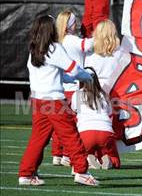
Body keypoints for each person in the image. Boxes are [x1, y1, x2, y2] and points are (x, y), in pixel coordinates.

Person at [18, 15, 98, 186]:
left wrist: (72, 78)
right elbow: (74, 70)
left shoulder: (34, 48)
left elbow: (56, 74)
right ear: (50, 29)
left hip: (38, 100)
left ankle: (26, 173)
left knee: (38, 139)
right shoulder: (54, 48)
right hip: (54, 102)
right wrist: (88, 77)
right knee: (71, 137)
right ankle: (82, 172)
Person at [51, 10, 94, 167]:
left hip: (60, 87)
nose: (77, 25)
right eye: (75, 22)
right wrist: (102, 32)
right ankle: (67, 155)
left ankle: (57, 153)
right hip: (74, 86)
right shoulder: (72, 40)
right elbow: (90, 46)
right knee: (73, 125)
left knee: (59, 124)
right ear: (69, 25)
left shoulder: (57, 40)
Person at [71, 67, 120, 170]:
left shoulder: (77, 94)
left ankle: (89, 157)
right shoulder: (104, 95)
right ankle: (108, 159)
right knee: (114, 158)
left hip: (86, 133)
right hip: (106, 133)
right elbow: (110, 113)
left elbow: (74, 110)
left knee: (79, 156)